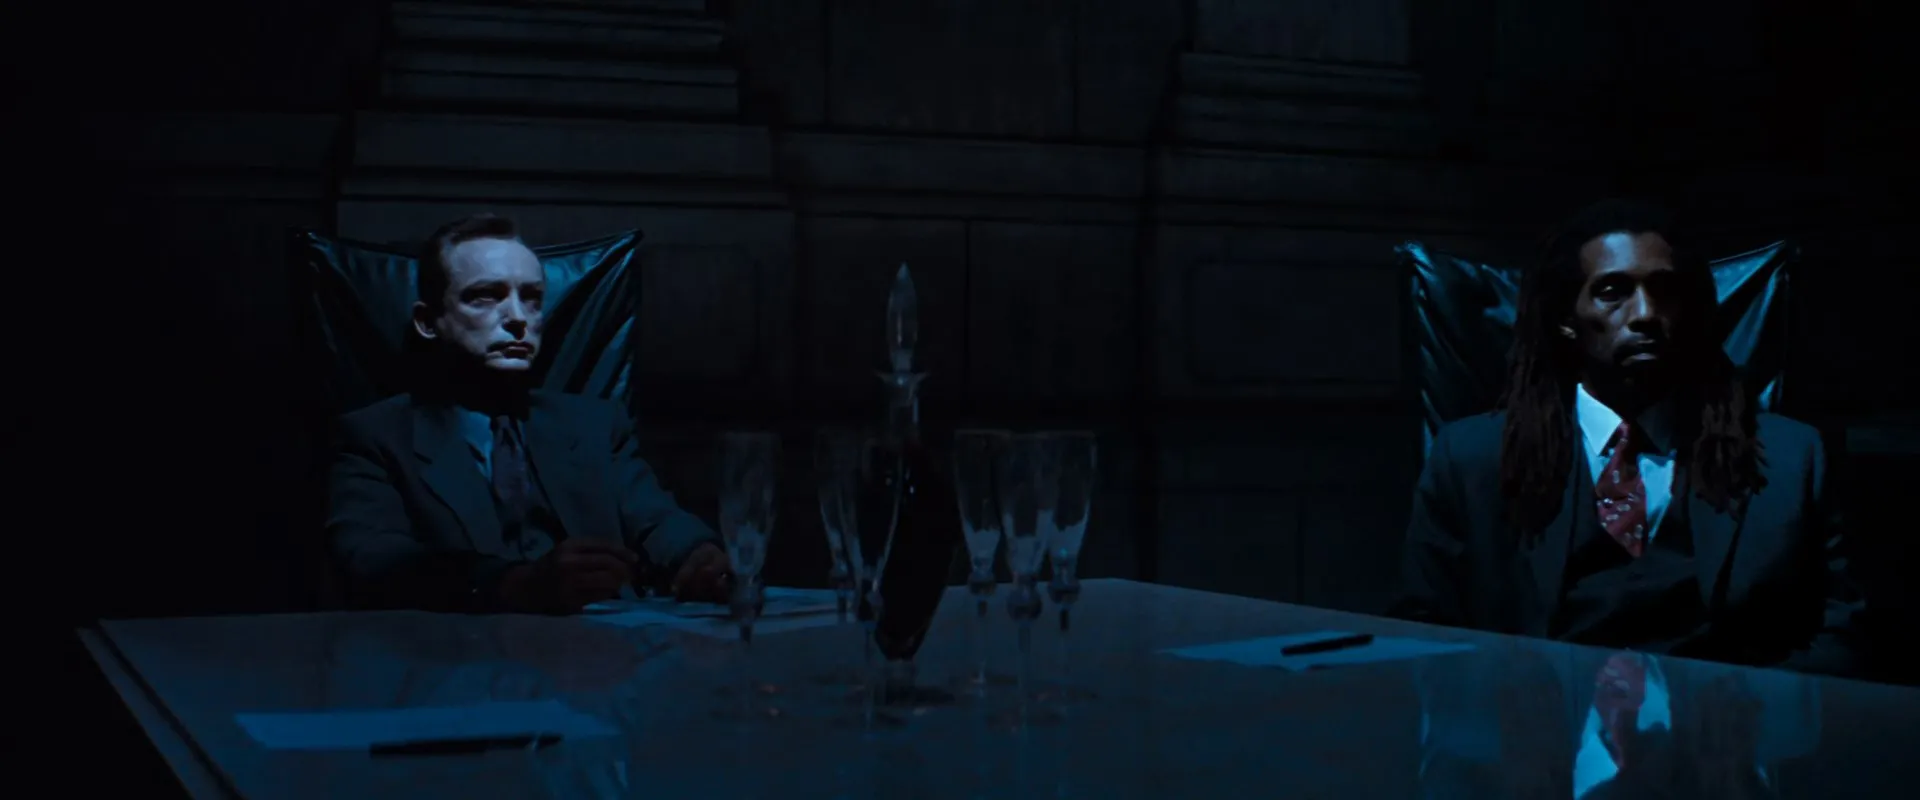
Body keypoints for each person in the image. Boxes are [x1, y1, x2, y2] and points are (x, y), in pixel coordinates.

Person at [1393, 199, 1867, 676]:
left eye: (1664, 291)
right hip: (1539, 716)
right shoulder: (1471, 460)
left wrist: (1758, 711)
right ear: (1566, 318)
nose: (1645, 313)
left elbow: (1842, 633)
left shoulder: (1790, 459)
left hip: (1727, 715)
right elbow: (1426, 631)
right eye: (1612, 292)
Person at [326, 213, 731, 613]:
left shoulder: (593, 425)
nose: (518, 318)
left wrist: (699, 555)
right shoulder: (377, 436)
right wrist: (515, 584)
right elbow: (372, 560)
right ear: (429, 321)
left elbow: (657, 520)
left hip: (599, 643)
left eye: (533, 298)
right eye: (485, 296)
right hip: (457, 644)